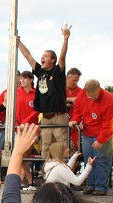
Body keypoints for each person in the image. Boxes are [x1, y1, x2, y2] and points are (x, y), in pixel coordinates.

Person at [17, 26, 72, 159]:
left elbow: (63, 57)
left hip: (59, 116)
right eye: (42, 55)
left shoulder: (57, 71)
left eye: (46, 56)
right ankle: (48, 175)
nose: (43, 57)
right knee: (46, 148)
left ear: (52, 60)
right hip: (46, 118)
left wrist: (65, 39)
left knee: (60, 147)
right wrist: (18, 42)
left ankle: (61, 175)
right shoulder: (40, 72)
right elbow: (28, 56)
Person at [69, 80, 113, 196]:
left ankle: (101, 187)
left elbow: (109, 123)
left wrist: (101, 140)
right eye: (90, 96)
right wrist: (74, 120)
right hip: (88, 131)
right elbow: (77, 110)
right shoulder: (82, 95)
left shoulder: (109, 99)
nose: (92, 98)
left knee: (102, 159)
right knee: (89, 158)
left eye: (95, 96)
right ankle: (91, 185)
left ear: (99, 90)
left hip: (105, 132)